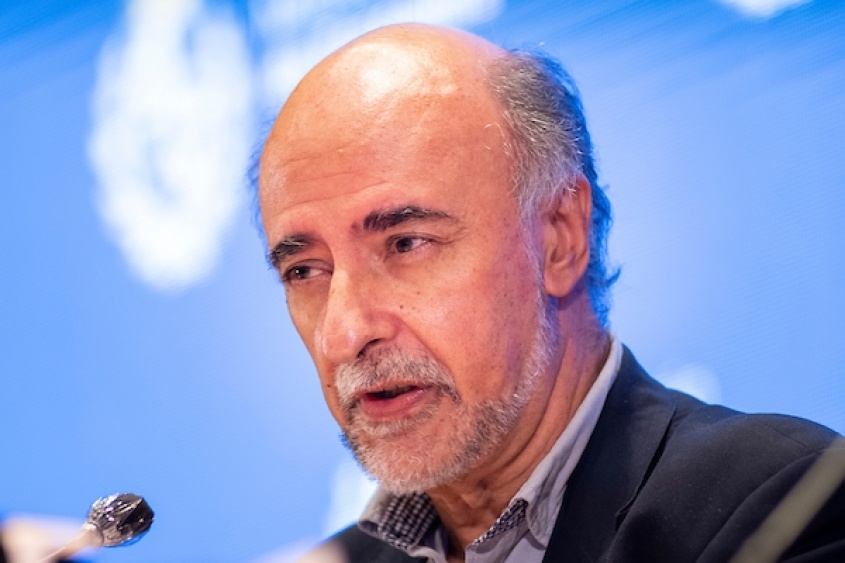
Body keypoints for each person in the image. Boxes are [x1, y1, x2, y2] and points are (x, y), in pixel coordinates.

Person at [255, 23, 845, 563]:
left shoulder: (784, 510)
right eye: (304, 271)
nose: (344, 333)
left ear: (560, 238)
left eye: (407, 243)